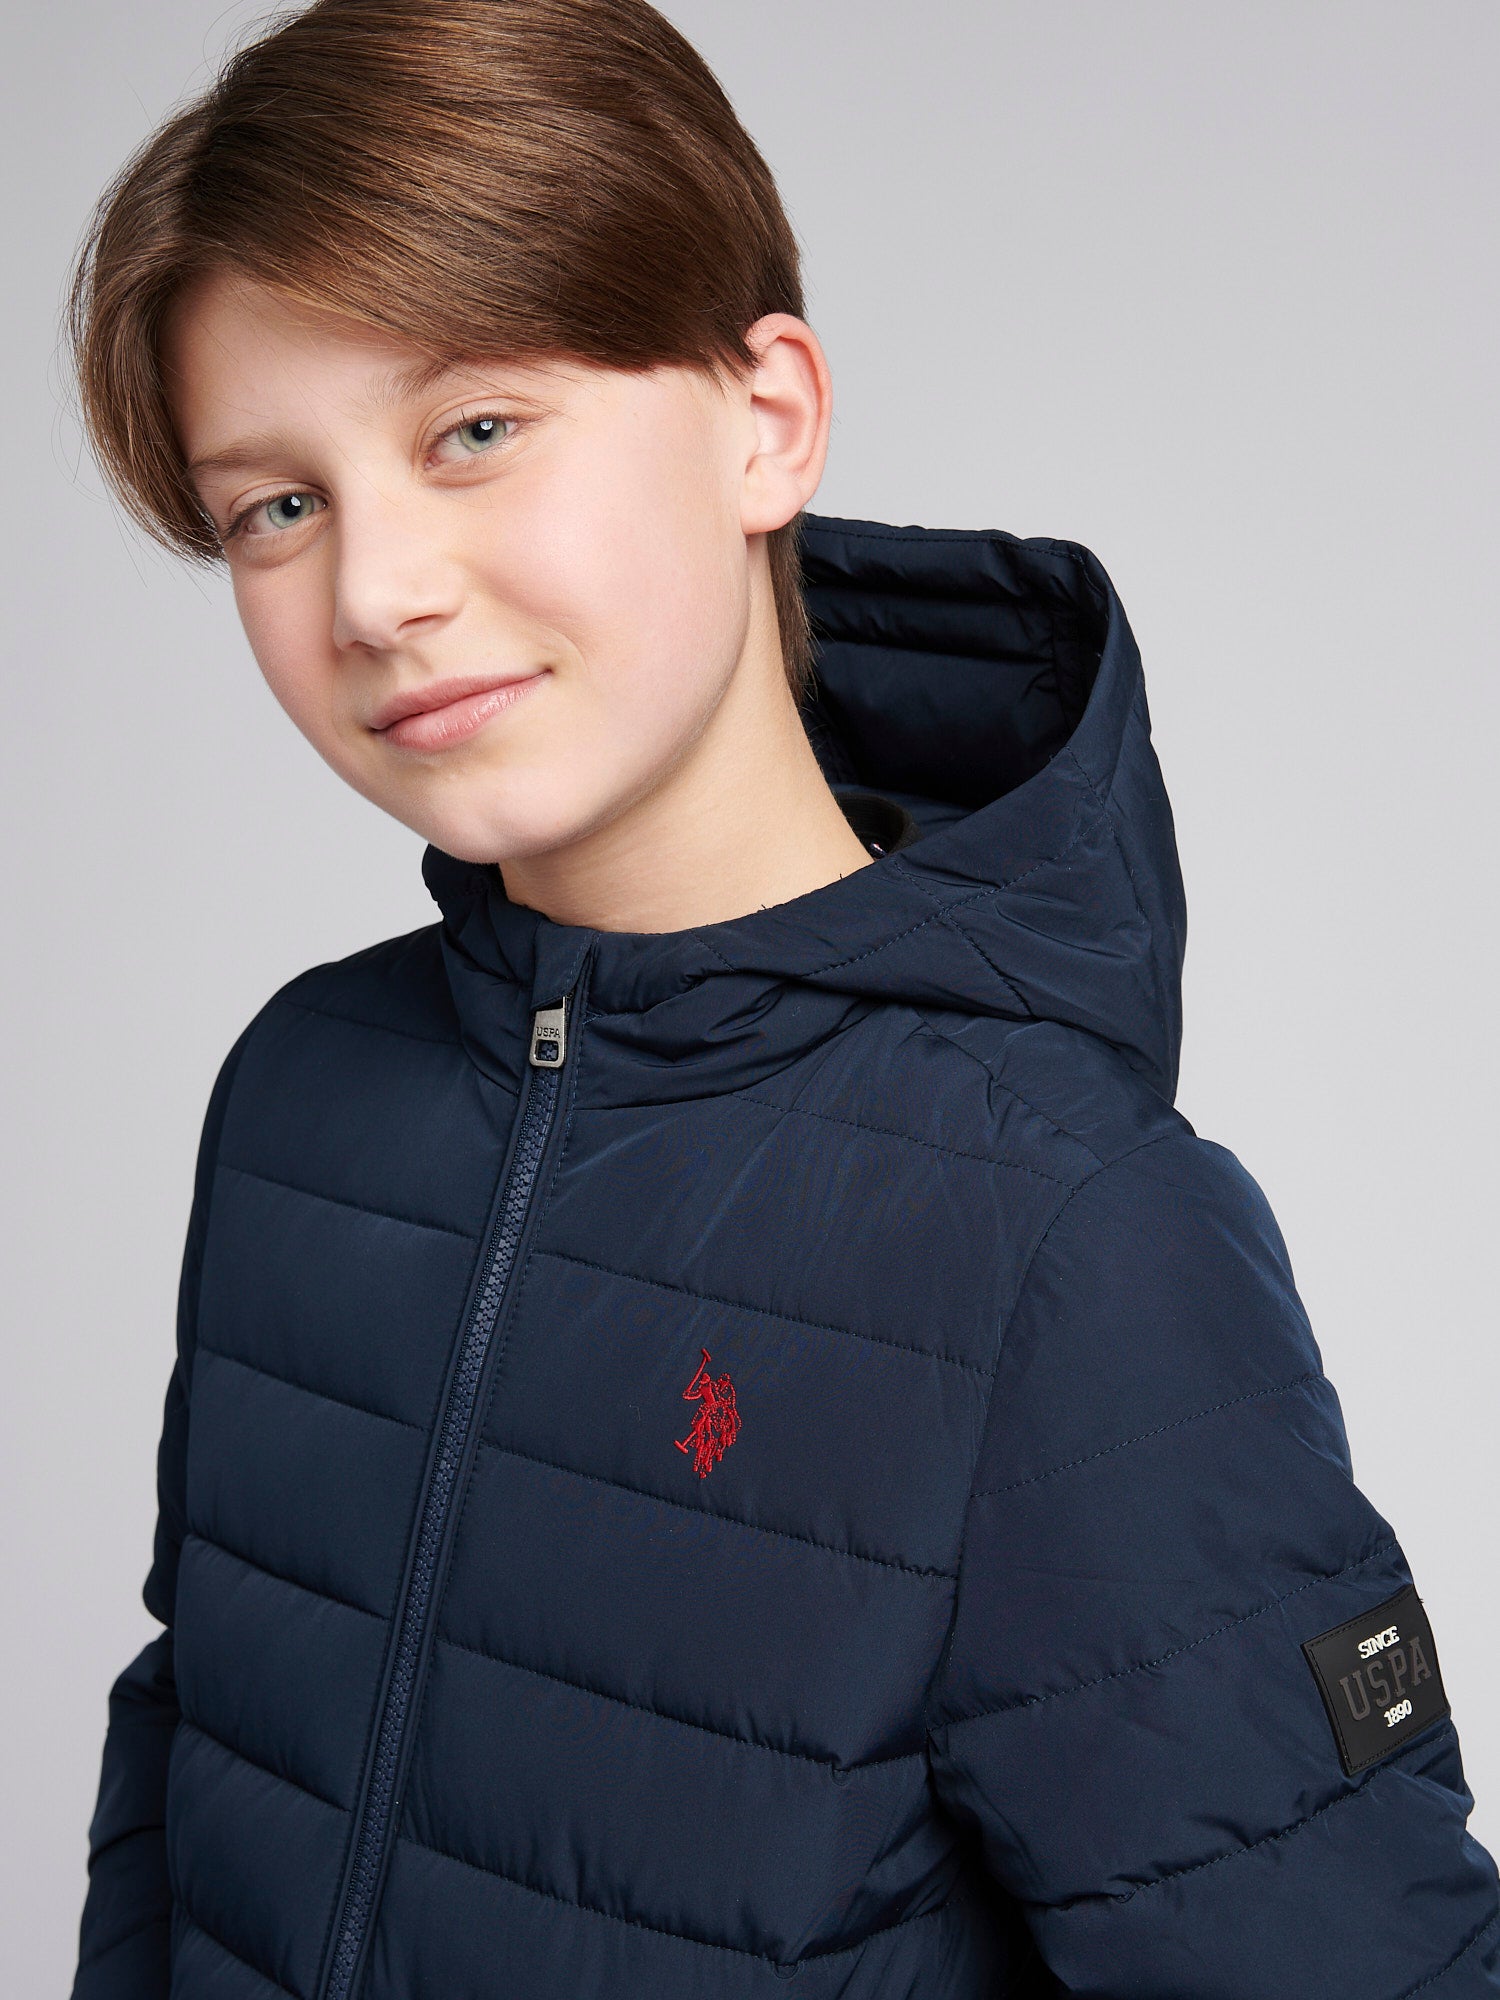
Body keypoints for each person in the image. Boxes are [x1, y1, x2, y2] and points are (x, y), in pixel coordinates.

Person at [65, 0, 1500, 1994]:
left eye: (475, 431)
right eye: (276, 507)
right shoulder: (303, 1094)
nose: (376, 592)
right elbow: (198, 1762)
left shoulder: (1072, 1241)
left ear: (767, 421)